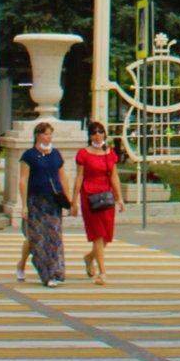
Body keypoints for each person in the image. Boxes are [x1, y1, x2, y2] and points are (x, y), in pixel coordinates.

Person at [69, 121, 124, 284]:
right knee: (98, 235)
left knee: (107, 236)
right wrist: (74, 201)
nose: (98, 135)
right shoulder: (83, 154)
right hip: (89, 196)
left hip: (106, 197)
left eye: (100, 132)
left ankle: (89, 258)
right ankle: (102, 272)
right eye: (94, 132)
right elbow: (79, 177)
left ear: (105, 134)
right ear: (90, 135)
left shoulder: (109, 153)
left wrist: (119, 197)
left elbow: (114, 176)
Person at [14, 122, 67, 287]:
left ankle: (54, 272)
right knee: (37, 238)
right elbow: (23, 180)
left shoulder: (55, 154)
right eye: (45, 134)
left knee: (54, 236)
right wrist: (23, 205)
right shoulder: (29, 155)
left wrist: (69, 199)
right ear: (38, 135)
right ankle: (38, 270)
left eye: (50, 134)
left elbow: (62, 177)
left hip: (53, 201)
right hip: (36, 201)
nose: (48, 137)